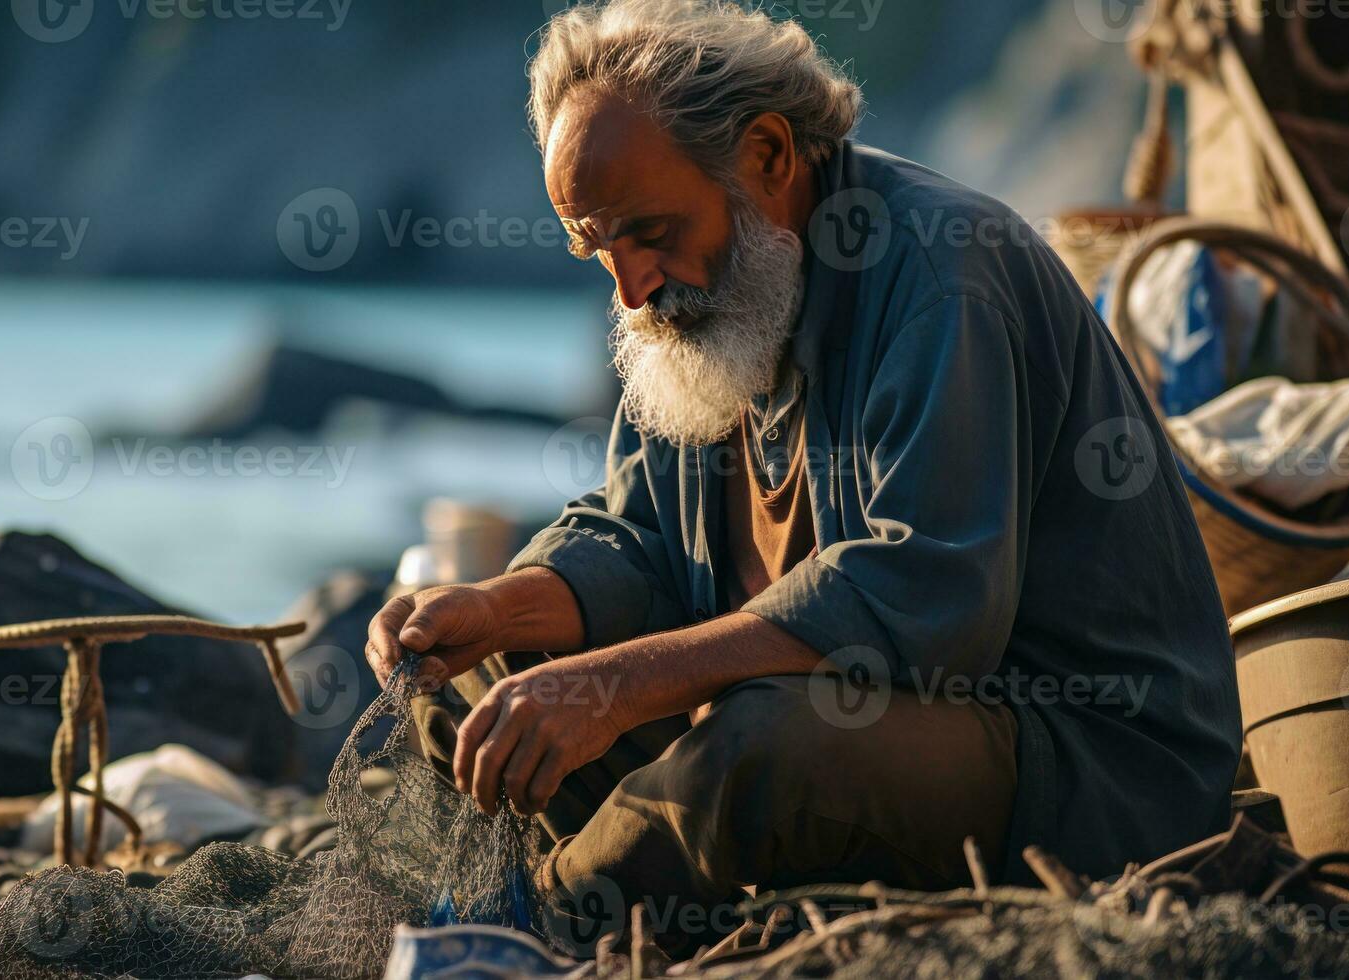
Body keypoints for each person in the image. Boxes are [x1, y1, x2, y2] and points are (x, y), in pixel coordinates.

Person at [365, 0, 1240, 951]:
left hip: (1075, 761)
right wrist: (497, 609)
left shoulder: (943, 274)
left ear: (769, 157)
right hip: (838, 710)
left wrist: (616, 687)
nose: (629, 288)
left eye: (648, 232)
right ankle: (618, 885)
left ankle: (532, 926)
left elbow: (924, 601)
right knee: (480, 684)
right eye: (597, 249)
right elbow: (642, 540)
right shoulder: (696, 300)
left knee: (762, 749)